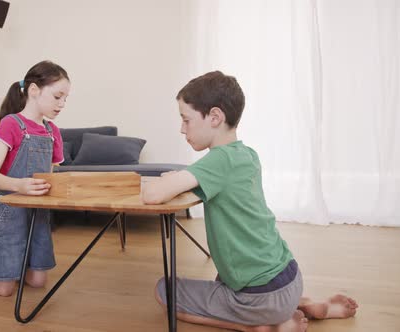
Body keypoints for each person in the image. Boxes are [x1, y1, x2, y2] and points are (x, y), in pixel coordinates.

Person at [141, 71, 358, 331]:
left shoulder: (218, 161)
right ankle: (301, 304)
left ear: (215, 117)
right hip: (289, 279)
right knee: (225, 279)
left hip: (260, 297)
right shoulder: (247, 155)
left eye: (186, 120)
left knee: (164, 290)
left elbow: (152, 195)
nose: (182, 129)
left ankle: (258, 326)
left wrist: (164, 181)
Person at [0, 60, 70, 296]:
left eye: (65, 99)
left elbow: (51, 174)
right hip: (9, 211)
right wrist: (19, 185)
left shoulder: (53, 132)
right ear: (33, 90)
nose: (62, 104)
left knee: (37, 281)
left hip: (37, 213)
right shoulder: (11, 124)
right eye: (58, 96)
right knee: (4, 288)